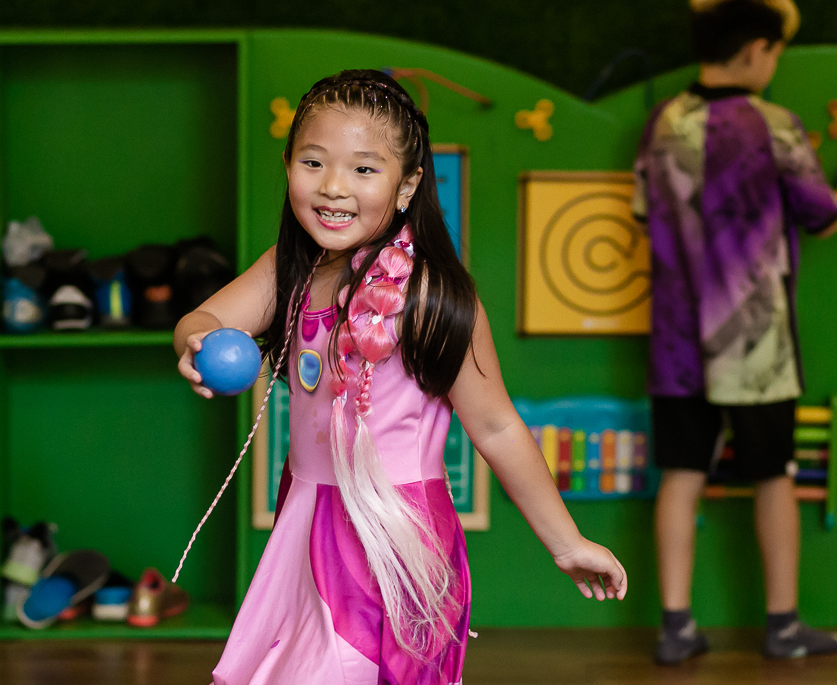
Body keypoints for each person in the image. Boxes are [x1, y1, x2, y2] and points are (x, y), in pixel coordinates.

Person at [175, 70, 627, 684]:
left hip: (393, 535)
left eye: (364, 169)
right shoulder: (291, 269)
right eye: (313, 162)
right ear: (287, 166)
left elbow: (496, 426)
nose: (333, 186)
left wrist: (567, 543)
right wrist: (197, 340)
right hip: (307, 520)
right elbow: (204, 318)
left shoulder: (429, 296)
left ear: (408, 184)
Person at [632, 0, 837, 664]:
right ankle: (783, 625)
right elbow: (821, 215)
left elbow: (642, 212)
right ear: (755, 50)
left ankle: (675, 627)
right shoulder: (774, 125)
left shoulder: (663, 123)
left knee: (680, 476)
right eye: (775, 50)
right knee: (774, 476)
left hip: (678, 342)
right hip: (756, 346)